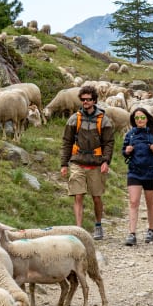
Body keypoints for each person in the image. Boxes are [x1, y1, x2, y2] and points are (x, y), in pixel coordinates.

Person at [60, 85, 115, 240]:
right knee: (78, 195)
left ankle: (98, 224)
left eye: (89, 99)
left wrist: (106, 161)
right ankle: (79, 229)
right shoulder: (74, 119)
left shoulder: (104, 121)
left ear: (94, 100)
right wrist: (64, 164)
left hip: (96, 163)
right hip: (78, 161)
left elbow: (109, 143)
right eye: (83, 99)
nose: (86, 102)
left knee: (96, 197)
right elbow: (67, 141)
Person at [121, 107, 153, 246]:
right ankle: (132, 233)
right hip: (134, 171)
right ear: (134, 120)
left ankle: (150, 229)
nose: (140, 120)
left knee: (150, 203)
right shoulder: (130, 134)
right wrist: (127, 151)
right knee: (133, 202)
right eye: (137, 118)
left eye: (142, 117)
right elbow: (124, 151)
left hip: (150, 171)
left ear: (147, 118)